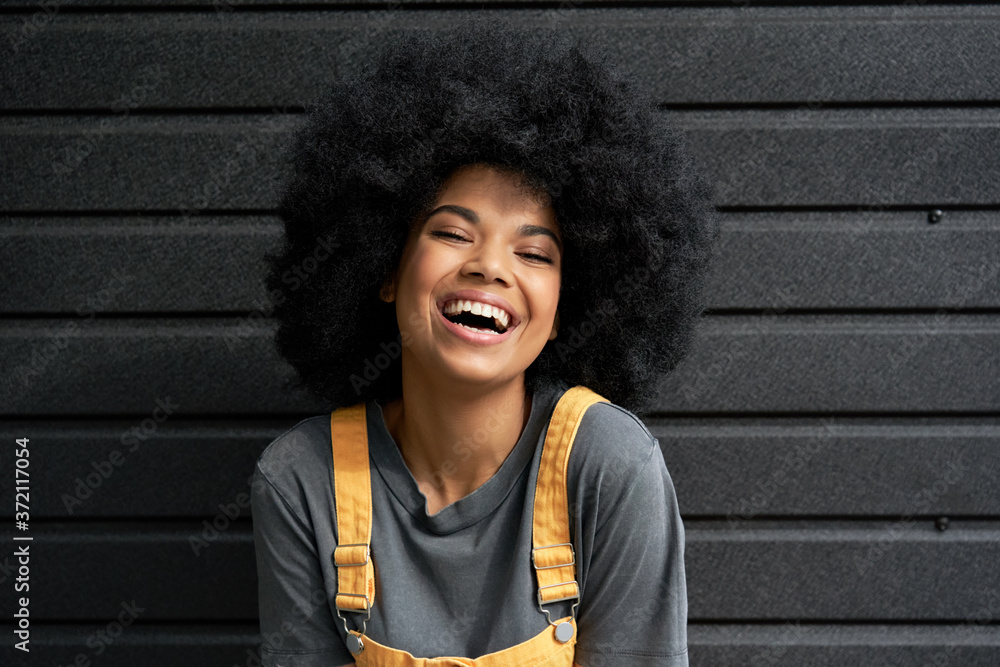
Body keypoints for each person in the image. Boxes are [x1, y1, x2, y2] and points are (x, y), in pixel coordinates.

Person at [251, 14, 718, 667]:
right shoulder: (303, 480)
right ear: (384, 268)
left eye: (534, 251)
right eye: (451, 232)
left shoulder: (610, 467)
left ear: (563, 311)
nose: (489, 266)